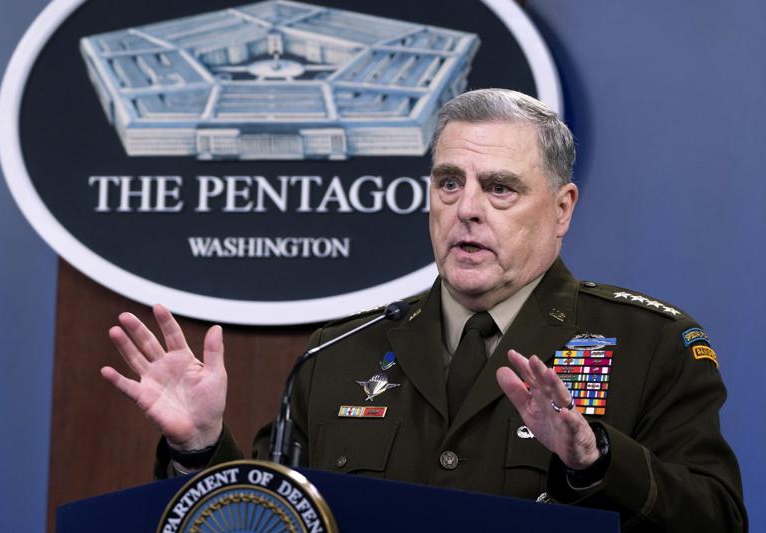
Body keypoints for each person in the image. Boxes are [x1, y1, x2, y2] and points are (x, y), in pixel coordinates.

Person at [101, 89, 746, 531]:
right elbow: (280, 517)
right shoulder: (336, 356)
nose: (467, 208)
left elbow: (716, 518)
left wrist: (598, 462)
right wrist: (202, 449)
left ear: (562, 209)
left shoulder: (649, 345)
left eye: (500, 188)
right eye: (448, 183)